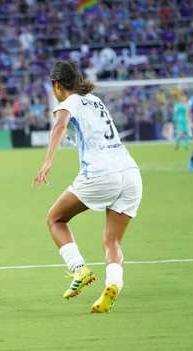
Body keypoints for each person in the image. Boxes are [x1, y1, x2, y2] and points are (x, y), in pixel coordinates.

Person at [32, 60, 142, 313]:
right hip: (131, 173)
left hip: (102, 174)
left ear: (56, 85)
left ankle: (78, 268)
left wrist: (47, 160)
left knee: (55, 219)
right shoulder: (95, 100)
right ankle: (113, 284)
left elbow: (59, 126)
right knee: (112, 240)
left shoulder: (67, 103)